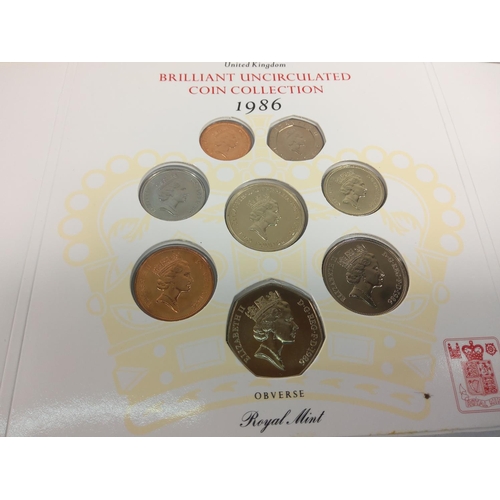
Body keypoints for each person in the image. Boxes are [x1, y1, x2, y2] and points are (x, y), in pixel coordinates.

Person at [246, 291, 298, 371]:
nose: (296, 326)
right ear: (271, 325)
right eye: (288, 320)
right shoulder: (264, 354)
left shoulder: (278, 354)